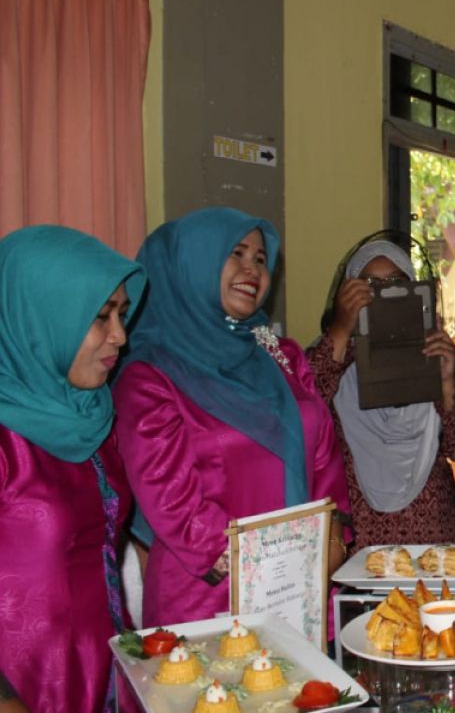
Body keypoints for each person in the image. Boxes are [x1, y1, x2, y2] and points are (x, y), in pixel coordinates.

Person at [113, 207, 350, 628]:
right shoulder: (150, 377)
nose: (252, 269)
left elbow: (325, 456)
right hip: (211, 599)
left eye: (261, 259)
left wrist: (333, 538)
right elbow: (172, 501)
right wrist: (274, 565)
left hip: (302, 592)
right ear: (192, 263)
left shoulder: (283, 355)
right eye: (236, 254)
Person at [0, 225, 145, 712]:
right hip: (27, 690)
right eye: (100, 316)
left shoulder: (92, 417)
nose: (120, 336)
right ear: (37, 315)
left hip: (108, 672)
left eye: (122, 314)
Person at [307, 238, 455, 548]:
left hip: (430, 523)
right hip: (360, 526)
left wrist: (446, 382)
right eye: (368, 283)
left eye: (394, 282)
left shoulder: (436, 351)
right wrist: (342, 326)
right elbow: (308, 404)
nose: (380, 292)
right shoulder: (333, 357)